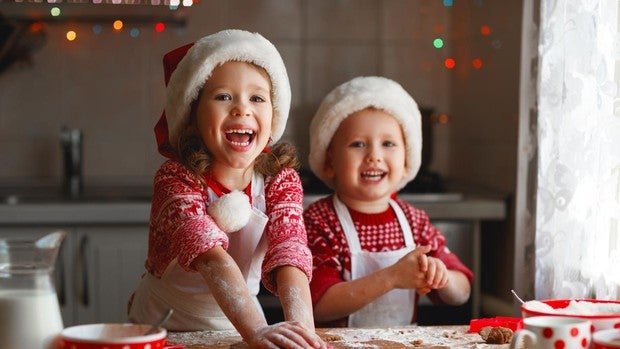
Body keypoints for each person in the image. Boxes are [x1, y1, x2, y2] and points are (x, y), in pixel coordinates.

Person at [128, 29, 326, 349]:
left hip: (239, 322)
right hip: (165, 325)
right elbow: (211, 259)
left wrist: (303, 333)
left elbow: (289, 253)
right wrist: (259, 332)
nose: (241, 109)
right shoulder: (175, 179)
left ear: (273, 116)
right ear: (192, 115)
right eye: (223, 96)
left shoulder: (281, 180)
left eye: (257, 98)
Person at [304, 76, 474, 328]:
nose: (374, 156)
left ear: (407, 160)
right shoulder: (319, 221)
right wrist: (392, 277)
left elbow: (462, 292)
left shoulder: (415, 222)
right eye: (358, 144)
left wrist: (443, 277)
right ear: (330, 162)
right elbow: (318, 306)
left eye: (388, 144)